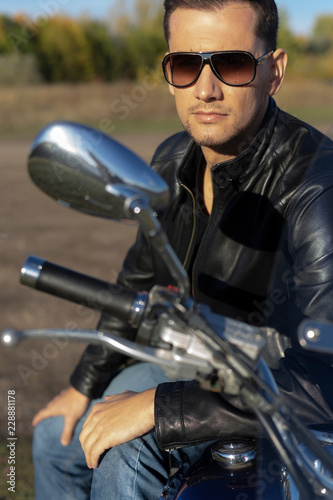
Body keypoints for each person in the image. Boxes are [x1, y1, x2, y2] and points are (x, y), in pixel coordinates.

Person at [32, 0, 333, 498]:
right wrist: (82, 384)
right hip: (196, 366)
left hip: (281, 392)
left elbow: (325, 380)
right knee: (50, 439)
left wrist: (157, 407)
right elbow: (139, 282)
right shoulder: (172, 159)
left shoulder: (317, 188)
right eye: (186, 64)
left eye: (233, 64)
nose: (206, 89)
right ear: (169, 72)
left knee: (125, 457)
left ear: (273, 72)